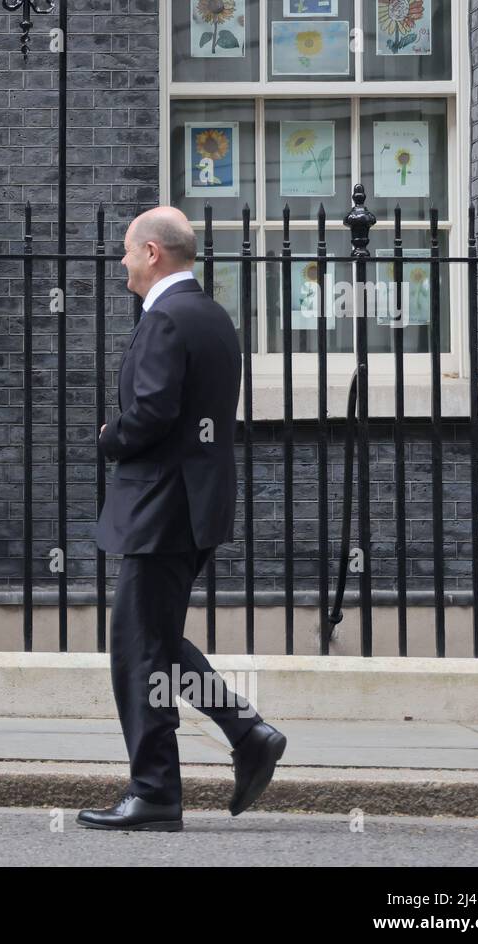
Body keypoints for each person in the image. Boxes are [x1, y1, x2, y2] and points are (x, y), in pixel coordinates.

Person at [78, 206, 286, 831]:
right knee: (156, 641)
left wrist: (108, 437)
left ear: (152, 253)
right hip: (194, 506)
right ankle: (246, 731)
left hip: (160, 508)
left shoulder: (166, 317)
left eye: (125, 252)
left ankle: (156, 790)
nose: (120, 263)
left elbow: (151, 414)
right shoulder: (214, 316)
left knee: (138, 651)